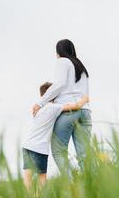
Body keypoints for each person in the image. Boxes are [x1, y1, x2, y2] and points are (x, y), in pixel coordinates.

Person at [32, 39, 92, 175]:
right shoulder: (82, 68)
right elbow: (86, 94)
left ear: (59, 51)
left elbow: (59, 84)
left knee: (59, 151)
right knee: (85, 153)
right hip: (85, 111)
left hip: (68, 111)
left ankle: (73, 184)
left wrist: (40, 103)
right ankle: (93, 185)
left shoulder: (62, 61)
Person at [22, 82, 89, 189]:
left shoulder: (38, 109)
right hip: (40, 148)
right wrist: (85, 99)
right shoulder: (52, 108)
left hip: (27, 145)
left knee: (27, 178)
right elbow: (76, 106)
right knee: (42, 178)